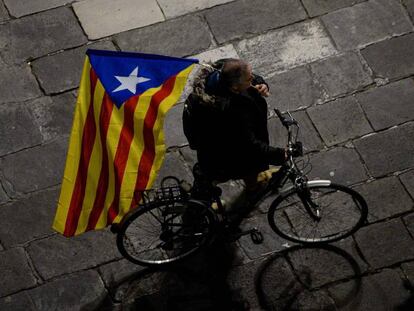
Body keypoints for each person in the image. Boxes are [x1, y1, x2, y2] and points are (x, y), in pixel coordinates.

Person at [183, 58, 287, 203]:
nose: (252, 80)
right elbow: (250, 145)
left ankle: (252, 186)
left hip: (223, 147)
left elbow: (249, 76)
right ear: (234, 88)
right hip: (225, 153)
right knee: (244, 167)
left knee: (247, 169)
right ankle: (200, 204)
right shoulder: (229, 113)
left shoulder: (219, 77)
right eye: (249, 79)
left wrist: (261, 84)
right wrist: (281, 154)